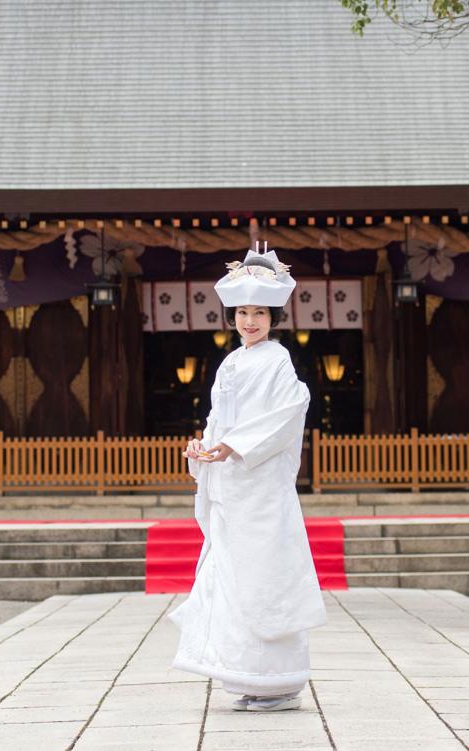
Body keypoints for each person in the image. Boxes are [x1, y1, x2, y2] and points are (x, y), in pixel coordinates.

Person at [169, 243, 326, 713]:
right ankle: (246, 675)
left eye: (259, 312)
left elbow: (289, 409)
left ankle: (278, 680)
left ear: (274, 317)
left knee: (264, 579)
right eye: (242, 312)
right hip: (232, 486)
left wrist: (235, 445)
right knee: (235, 579)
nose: (250, 321)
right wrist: (205, 445)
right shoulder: (231, 362)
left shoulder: (277, 361)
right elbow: (221, 420)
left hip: (260, 489)